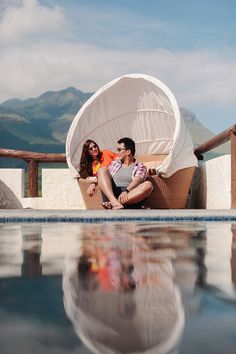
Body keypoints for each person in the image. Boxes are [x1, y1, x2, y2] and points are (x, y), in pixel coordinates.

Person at [97, 137, 153, 210]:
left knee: (148, 185)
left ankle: (116, 204)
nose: (117, 152)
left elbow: (138, 179)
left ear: (128, 152)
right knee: (102, 170)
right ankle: (114, 202)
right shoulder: (114, 163)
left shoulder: (140, 166)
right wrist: (93, 184)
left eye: (119, 150)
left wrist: (126, 191)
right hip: (113, 192)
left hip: (129, 195)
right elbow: (103, 178)